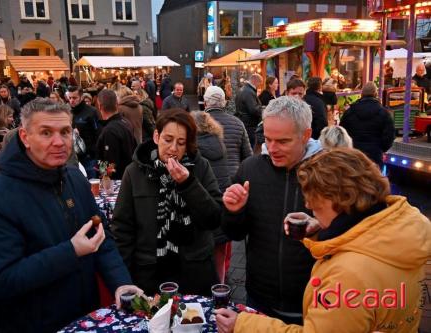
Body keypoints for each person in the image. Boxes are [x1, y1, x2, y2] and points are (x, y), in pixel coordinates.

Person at [216, 148, 431, 333]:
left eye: (316, 205)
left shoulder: (348, 275)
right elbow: (365, 247)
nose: (310, 208)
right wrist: (322, 233)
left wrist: (243, 324)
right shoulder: (401, 231)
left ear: (342, 200)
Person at [0, 98, 142, 333]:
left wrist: (121, 283)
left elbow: (101, 238)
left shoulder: (74, 178)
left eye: (64, 132)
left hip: (84, 320)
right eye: (45, 133)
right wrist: (70, 251)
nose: (58, 142)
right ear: (25, 137)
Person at [221, 96, 321, 324]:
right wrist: (233, 211)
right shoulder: (251, 169)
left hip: (313, 299)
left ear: (305, 135)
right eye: (267, 139)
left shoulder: (328, 172)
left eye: (283, 141)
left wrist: (320, 230)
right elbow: (233, 233)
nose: (272, 148)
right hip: (259, 297)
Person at [112, 108, 222, 296]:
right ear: (156, 136)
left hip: (194, 272)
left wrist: (188, 184)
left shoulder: (200, 167)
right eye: (167, 139)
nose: (173, 149)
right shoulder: (134, 172)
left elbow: (214, 218)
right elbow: (122, 229)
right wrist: (124, 279)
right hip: (150, 274)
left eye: (181, 143)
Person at [191, 111, 231, 283]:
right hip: (222, 204)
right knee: (220, 253)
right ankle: (220, 288)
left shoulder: (194, 149)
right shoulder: (219, 143)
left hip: (205, 206)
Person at [339, 82, 395, 168]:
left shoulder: (350, 112)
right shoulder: (384, 113)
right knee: (373, 179)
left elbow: (341, 132)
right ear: (375, 94)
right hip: (375, 154)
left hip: (354, 153)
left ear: (361, 94)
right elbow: (389, 136)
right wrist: (381, 149)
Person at [203, 86, 252, 177]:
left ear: (205, 103)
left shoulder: (196, 124)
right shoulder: (238, 123)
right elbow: (248, 157)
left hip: (205, 180)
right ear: (224, 103)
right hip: (233, 179)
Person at [254, 78, 306, 154]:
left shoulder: (305, 110)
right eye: (294, 93)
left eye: (300, 94)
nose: (297, 97)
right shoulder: (278, 109)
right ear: (287, 93)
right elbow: (260, 131)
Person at [95, 89, 137, 180]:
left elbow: (110, 163)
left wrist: (104, 176)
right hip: (127, 176)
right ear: (116, 104)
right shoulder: (126, 122)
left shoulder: (110, 131)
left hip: (116, 182)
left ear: (100, 106)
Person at [67, 86, 100, 177]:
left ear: (81, 97)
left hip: (89, 157)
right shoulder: (67, 112)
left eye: (74, 98)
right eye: (70, 98)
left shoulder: (91, 112)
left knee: (91, 185)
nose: (72, 100)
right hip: (72, 158)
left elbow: (98, 133)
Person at [235, 74, 263, 148]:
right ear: (256, 81)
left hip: (244, 123)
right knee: (251, 147)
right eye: (260, 83)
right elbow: (253, 110)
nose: (260, 86)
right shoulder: (249, 92)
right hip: (250, 125)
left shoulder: (243, 89)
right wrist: (263, 110)